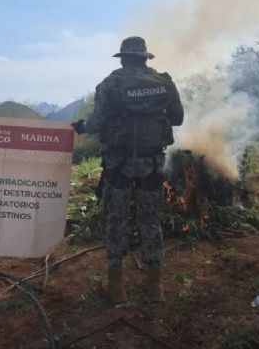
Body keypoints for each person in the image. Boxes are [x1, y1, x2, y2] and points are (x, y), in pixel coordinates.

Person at [72, 36, 184, 304]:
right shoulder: (164, 83)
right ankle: (155, 287)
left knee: (116, 220)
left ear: (123, 58)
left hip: (118, 165)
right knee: (151, 220)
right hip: (151, 164)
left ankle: (116, 287)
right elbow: (178, 119)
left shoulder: (110, 84)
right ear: (145, 58)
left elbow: (96, 123)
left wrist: (81, 127)